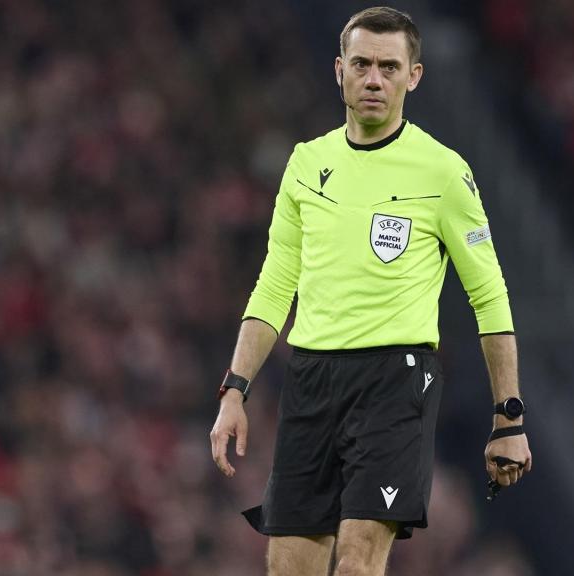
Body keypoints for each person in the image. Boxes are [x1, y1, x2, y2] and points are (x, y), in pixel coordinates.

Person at [209, 7, 533, 576]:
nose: (374, 79)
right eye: (361, 64)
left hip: (395, 380)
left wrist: (509, 418)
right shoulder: (307, 163)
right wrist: (235, 389)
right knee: (289, 568)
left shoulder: (442, 172)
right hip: (310, 379)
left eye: (389, 66)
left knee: (357, 561)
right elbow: (274, 284)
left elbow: (490, 296)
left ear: (414, 76)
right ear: (339, 70)